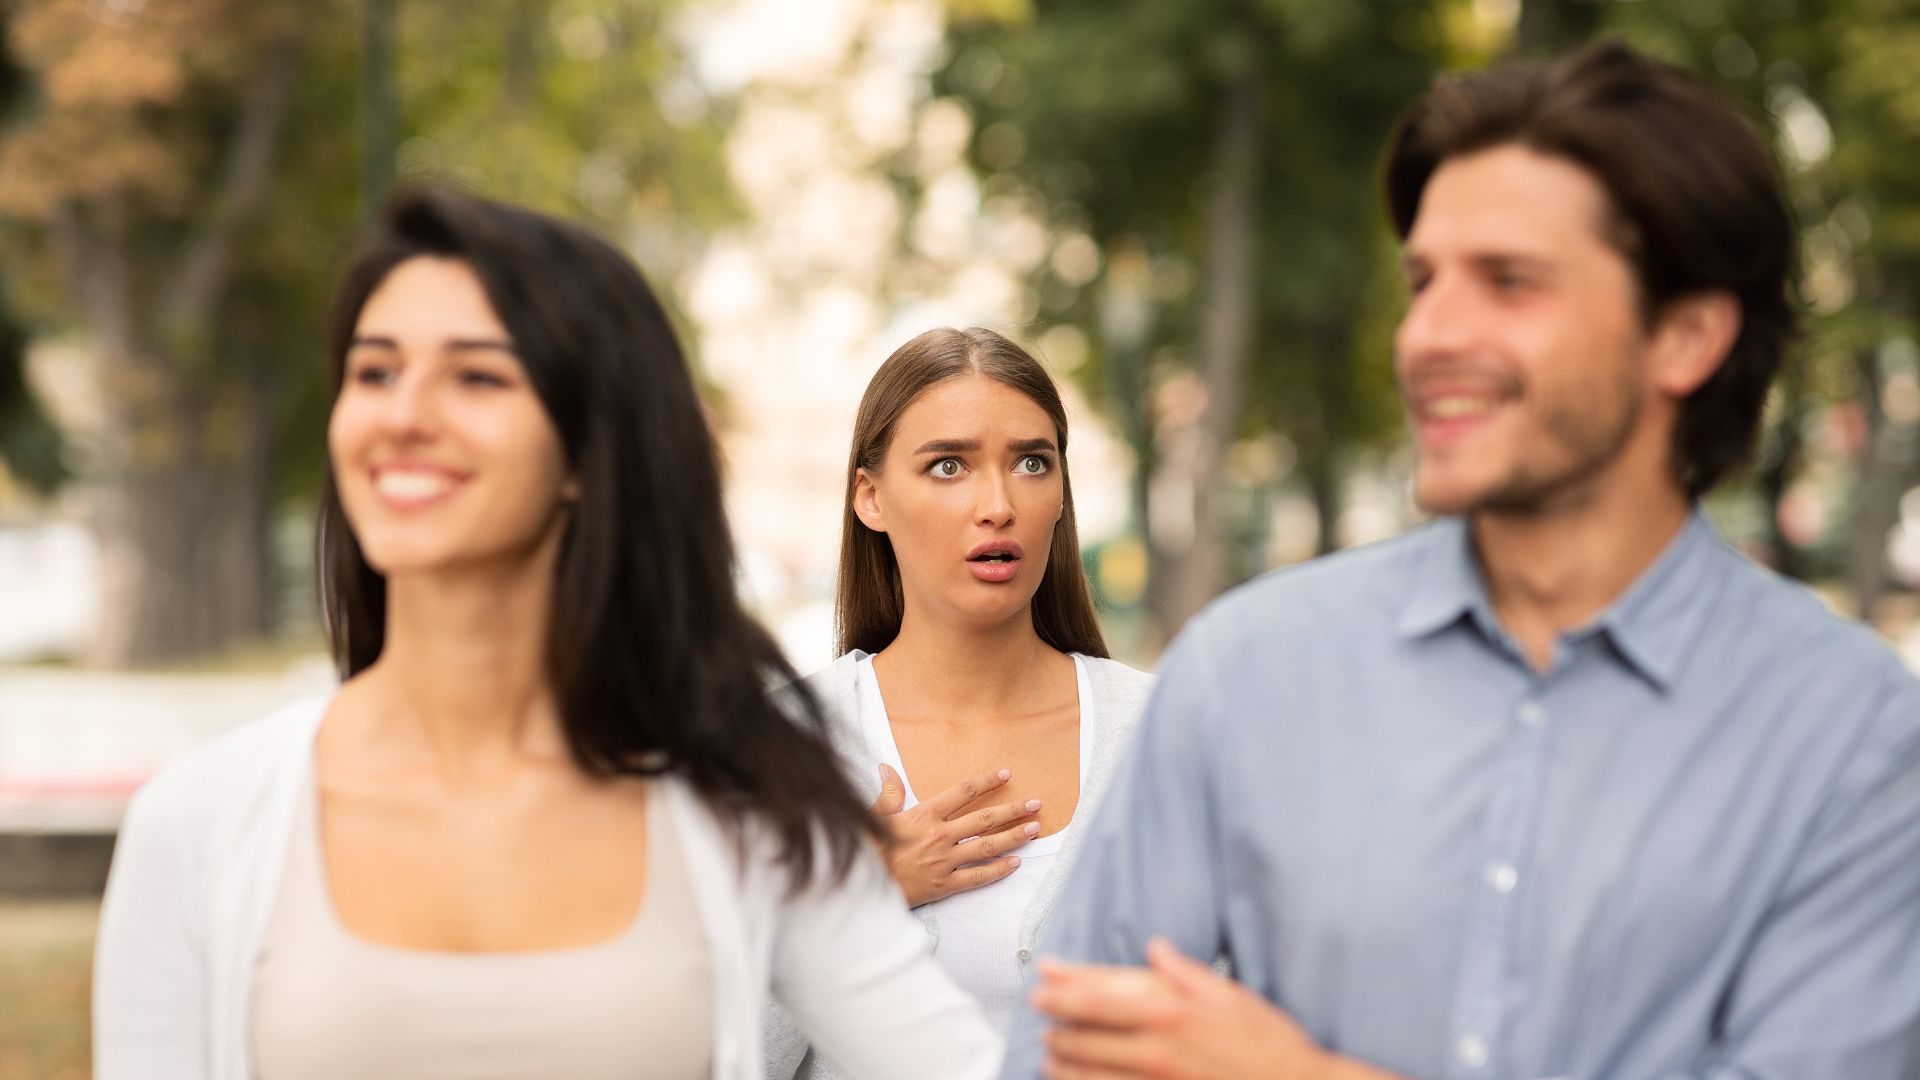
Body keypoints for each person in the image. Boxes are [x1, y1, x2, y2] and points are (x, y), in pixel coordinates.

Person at [1005, 40, 1920, 1080]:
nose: (1427, 336)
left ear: (1686, 335)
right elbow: (1056, 1060)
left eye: (1509, 283)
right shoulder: (1245, 673)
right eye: (1425, 281)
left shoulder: (1851, 736)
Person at [91, 188, 1001, 1080]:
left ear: (588, 451)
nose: (403, 414)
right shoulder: (203, 821)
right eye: (375, 371)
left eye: (476, 376)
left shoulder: (751, 808)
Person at [765, 328, 1154, 1077]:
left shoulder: (1159, 732)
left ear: (1062, 495)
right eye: (949, 465)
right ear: (870, 498)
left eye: (1032, 463)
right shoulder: (782, 744)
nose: (998, 505)